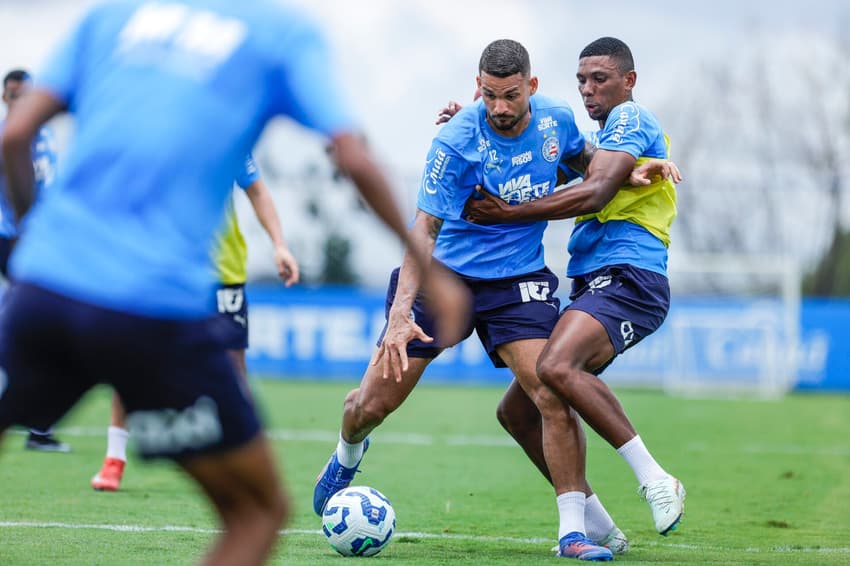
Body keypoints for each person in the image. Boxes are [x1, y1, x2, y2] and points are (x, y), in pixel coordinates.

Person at [0, 2, 466, 564]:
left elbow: (15, 135)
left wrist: (33, 242)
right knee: (257, 511)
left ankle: (116, 454)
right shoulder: (281, 32)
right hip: (152, 307)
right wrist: (432, 272)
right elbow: (353, 156)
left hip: (44, 289)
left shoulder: (112, 17)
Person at [313, 39, 671, 561]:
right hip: (445, 279)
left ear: (532, 87)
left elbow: (581, 160)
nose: (499, 108)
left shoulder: (555, 118)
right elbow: (424, 229)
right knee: (371, 405)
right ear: (476, 89)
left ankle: (576, 530)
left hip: (517, 281)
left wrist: (629, 169)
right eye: (488, 96)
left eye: (509, 96)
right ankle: (346, 454)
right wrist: (397, 318)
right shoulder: (456, 141)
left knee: (550, 390)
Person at [465, 36, 687, 545]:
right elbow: (569, 165)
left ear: (628, 81)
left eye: (600, 79)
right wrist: (477, 122)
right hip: (598, 281)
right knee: (517, 412)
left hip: (630, 276)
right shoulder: (603, 138)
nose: (588, 89)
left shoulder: (630, 119)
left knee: (555, 366)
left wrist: (508, 214)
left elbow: (595, 190)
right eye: (582, 80)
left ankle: (655, 478)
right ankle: (600, 526)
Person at [91, 154, 299, 492]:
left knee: (233, 372)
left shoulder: (232, 139)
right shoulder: (152, 133)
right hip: (163, 271)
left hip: (223, 274)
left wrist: (279, 245)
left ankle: (239, 459)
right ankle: (114, 458)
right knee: (131, 360)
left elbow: (257, 191)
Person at [0, 68, 70, 453]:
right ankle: (38, 428)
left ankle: (38, 425)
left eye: (24, 95)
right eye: (12, 96)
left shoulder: (44, 137)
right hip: (15, 240)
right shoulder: (14, 136)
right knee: (38, 328)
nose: (18, 102)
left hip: (32, 241)